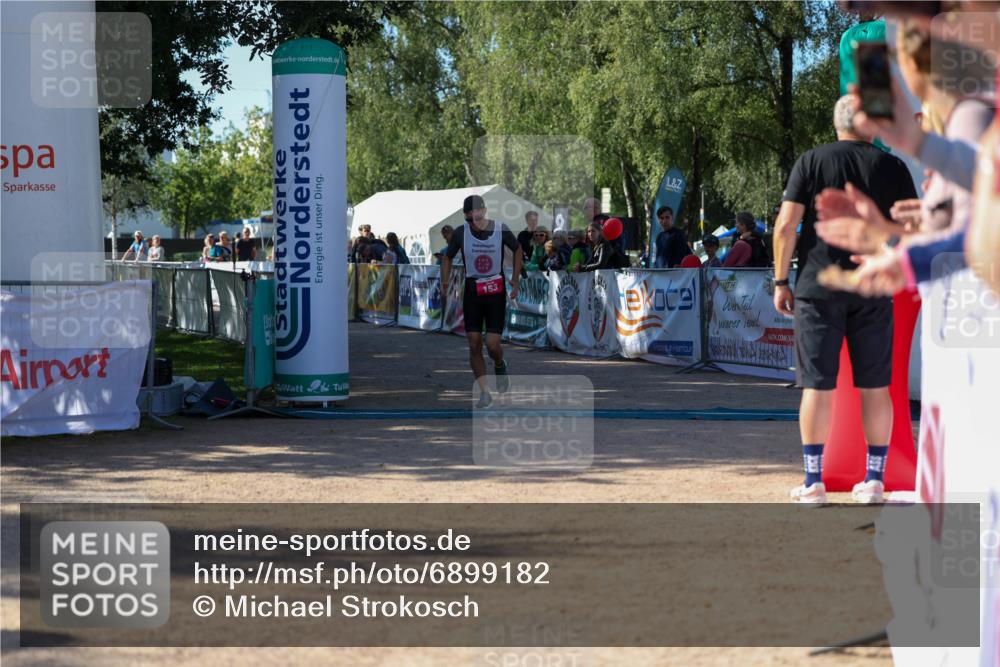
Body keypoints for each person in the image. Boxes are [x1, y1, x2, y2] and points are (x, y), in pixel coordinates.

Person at [772, 95, 917, 505]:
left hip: (818, 289)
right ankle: (874, 480)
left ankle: (813, 481)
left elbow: (786, 227)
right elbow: (914, 227)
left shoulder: (810, 161)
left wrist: (781, 279)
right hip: (872, 285)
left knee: (816, 386)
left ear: (837, 123)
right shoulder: (892, 166)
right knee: (876, 387)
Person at [441, 195, 523, 409]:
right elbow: (448, 256)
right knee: (474, 342)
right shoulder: (460, 233)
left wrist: (515, 278)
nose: (473, 223)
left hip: (495, 290)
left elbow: (517, 249)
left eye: (477, 218)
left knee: (492, 344)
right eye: (469, 219)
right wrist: (445, 281)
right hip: (472, 290)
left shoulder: (500, 229)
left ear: (484, 211)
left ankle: (499, 363)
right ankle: (485, 392)